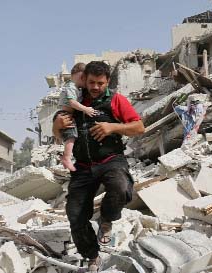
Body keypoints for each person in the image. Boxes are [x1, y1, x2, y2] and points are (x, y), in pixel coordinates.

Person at [52, 61, 145, 272]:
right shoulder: (75, 99)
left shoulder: (116, 100)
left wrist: (112, 126)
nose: (95, 87)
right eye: (91, 82)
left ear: (108, 82)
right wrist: (56, 127)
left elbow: (139, 127)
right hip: (83, 166)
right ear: (85, 80)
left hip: (111, 160)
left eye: (100, 83)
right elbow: (59, 134)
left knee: (121, 188)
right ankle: (92, 257)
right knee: (75, 215)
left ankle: (107, 219)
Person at [57, 62, 97, 171]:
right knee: (71, 136)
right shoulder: (71, 86)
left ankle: (68, 157)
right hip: (65, 115)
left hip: (70, 115)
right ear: (79, 76)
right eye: (84, 78)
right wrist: (86, 109)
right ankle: (66, 157)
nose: (85, 81)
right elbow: (72, 103)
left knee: (74, 136)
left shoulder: (77, 88)